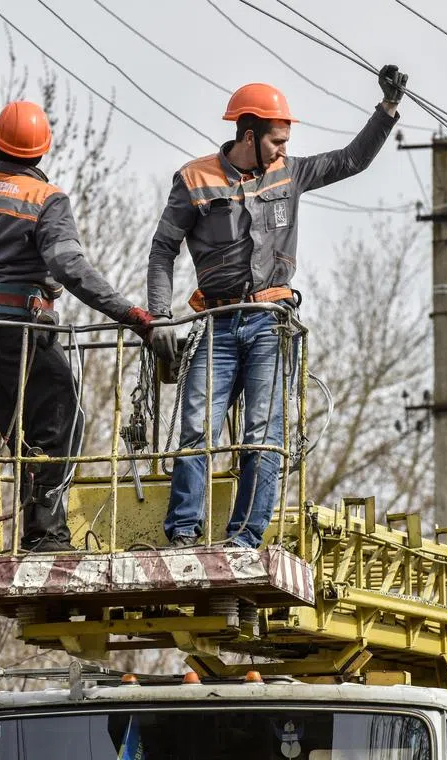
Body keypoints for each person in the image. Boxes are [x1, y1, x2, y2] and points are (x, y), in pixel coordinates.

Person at [148, 66, 408, 549]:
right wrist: (159, 317)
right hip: (217, 322)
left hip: (271, 324)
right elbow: (163, 251)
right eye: (276, 140)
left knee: (263, 433)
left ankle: (244, 538)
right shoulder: (194, 179)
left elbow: (352, 160)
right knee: (195, 427)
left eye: (286, 140)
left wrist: (387, 110)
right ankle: (183, 532)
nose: (283, 149)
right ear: (248, 135)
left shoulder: (290, 173)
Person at [0, 100, 153, 552]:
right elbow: (69, 267)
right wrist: (131, 315)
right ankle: (45, 536)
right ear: (43, 150)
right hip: (23, 332)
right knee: (62, 421)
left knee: (25, 435)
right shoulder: (45, 199)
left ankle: (39, 531)